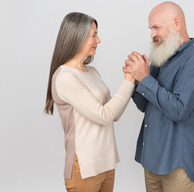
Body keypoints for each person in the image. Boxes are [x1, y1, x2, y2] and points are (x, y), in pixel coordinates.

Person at [124, 1, 194, 192]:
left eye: (156, 27)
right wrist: (135, 79)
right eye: (150, 28)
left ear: (176, 23)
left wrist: (145, 78)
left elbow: (178, 109)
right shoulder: (163, 54)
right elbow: (146, 106)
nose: (152, 34)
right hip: (152, 160)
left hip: (177, 164)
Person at [44, 12, 135, 192]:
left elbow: (114, 114)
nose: (98, 40)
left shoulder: (92, 72)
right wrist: (128, 80)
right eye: (93, 35)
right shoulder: (65, 77)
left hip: (106, 163)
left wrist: (132, 80)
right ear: (77, 36)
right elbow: (103, 116)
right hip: (85, 167)